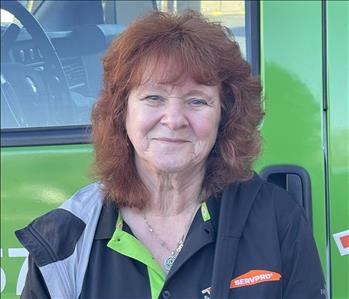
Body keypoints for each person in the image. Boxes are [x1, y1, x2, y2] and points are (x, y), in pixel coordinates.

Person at [16, 11, 326, 299]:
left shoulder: (278, 220)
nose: (174, 119)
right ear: (122, 112)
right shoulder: (63, 241)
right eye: (153, 97)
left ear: (225, 116)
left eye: (197, 101)